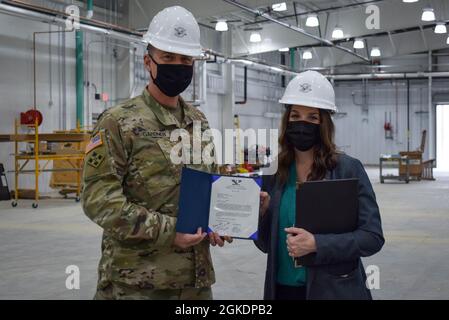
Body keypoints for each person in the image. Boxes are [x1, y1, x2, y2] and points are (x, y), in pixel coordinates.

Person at [81, 6, 231, 300]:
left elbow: (211, 182)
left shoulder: (197, 120)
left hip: (195, 281)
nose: (178, 65)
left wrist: (229, 211)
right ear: (148, 62)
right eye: (168, 58)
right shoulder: (118, 121)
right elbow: (99, 201)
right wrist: (169, 231)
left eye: (185, 59)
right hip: (138, 282)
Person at [255, 70, 384, 300]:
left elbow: (372, 237)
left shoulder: (347, 170)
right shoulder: (274, 172)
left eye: (312, 117)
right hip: (282, 291)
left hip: (333, 292)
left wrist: (317, 244)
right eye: (295, 115)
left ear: (324, 123)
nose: (302, 124)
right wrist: (262, 215)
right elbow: (266, 245)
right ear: (287, 121)